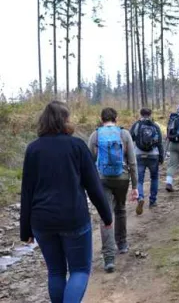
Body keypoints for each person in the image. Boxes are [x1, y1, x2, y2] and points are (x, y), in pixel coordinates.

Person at [20, 101, 112, 303]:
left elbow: (26, 191)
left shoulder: (33, 149)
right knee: (79, 270)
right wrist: (107, 216)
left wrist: (25, 230)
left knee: (55, 272)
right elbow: (94, 186)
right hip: (73, 218)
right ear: (65, 120)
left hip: (42, 221)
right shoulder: (77, 145)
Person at [88, 107, 138, 273]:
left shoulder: (95, 135)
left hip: (102, 179)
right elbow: (132, 162)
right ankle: (122, 244)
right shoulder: (124, 134)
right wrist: (135, 186)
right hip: (122, 178)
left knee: (106, 215)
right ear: (116, 118)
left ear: (101, 118)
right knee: (121, 209)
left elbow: (89, 162)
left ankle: (109, 258)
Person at [130, 108, 164, 215]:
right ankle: (152, 201)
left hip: (139, 155)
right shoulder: (155, 126)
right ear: (150, 114)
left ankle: (140, 197)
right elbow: (159, 143)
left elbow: (130, 140)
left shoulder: (136, 125)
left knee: (139, 180)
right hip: (153, 155)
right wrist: (161, 156)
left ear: (140, 114)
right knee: (154, 177)